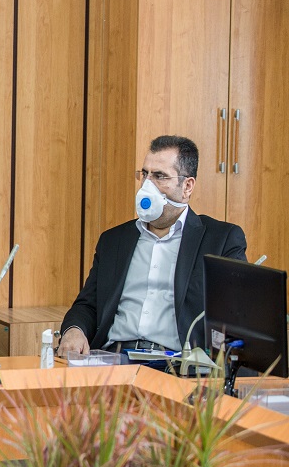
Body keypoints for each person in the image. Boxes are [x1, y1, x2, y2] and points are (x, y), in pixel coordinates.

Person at [58, 136, 247, 357]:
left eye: (159, 176)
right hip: (115, 357)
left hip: (176, 365)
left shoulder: (220, 240)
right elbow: (88, 305)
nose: (147, 185)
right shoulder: (114, 240)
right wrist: (74, 330)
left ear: (187, 186)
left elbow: (238, 317)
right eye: (144, 174)